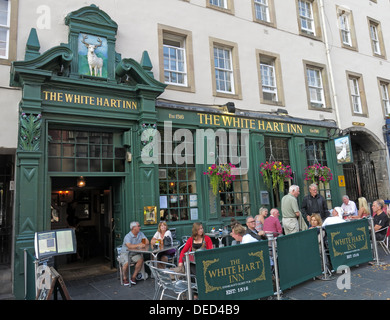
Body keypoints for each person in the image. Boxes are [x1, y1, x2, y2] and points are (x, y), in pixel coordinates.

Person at [119, 221, 149, 286]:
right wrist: (139, 245)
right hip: (126, 253)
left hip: (135, 253)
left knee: (140, 260)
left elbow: (147, 242)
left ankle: (133, 277)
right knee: (126, 263)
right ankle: (124, 278)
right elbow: (129, 246)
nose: (140, 227)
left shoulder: (140, 234)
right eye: (138, 226)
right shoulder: (128, 236)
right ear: (134, 228)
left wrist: (141, 244)